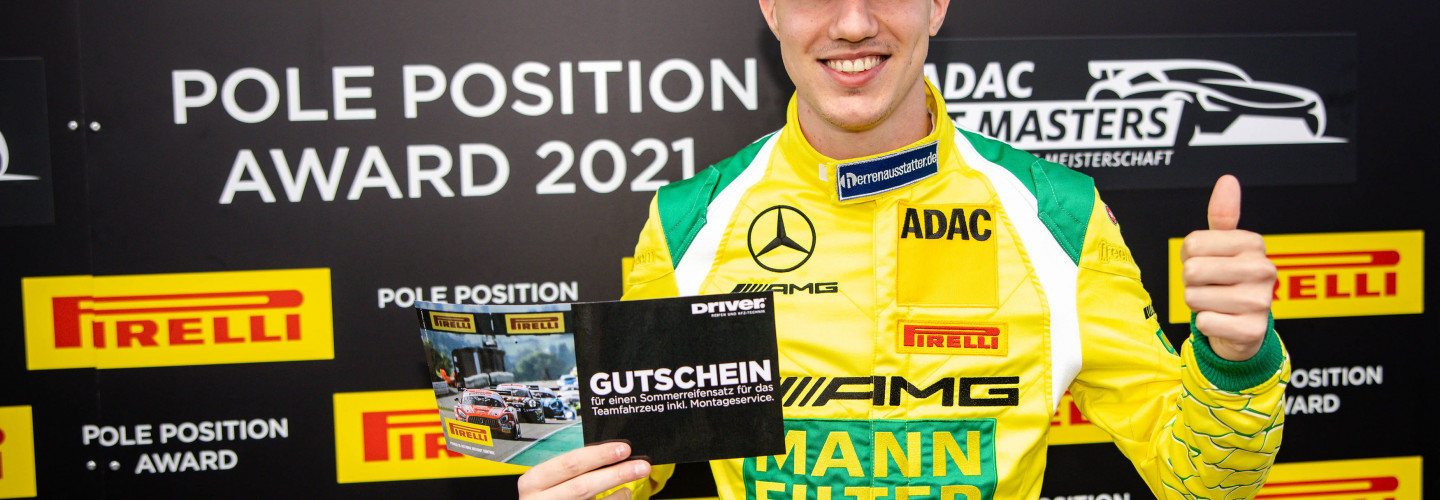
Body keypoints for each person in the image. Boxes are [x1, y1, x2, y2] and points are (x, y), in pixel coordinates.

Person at [519, 0, 1286, 498]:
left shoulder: (1056, 213)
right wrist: (575, 483)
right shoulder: (690, 221)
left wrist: (1234, 362)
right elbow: (628, 467)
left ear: (937, 5)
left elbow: (1202, 479)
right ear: (772, 8)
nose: (854, 23)